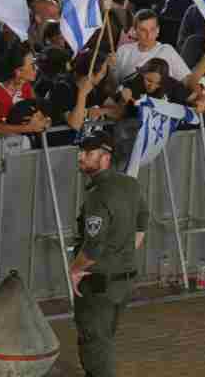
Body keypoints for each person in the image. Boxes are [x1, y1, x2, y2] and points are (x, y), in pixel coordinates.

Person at [70, 131, 148, 377]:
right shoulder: (130, 184)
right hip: (124, 279)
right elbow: (142, 223)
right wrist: (124, 252)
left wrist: (74, 270)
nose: (81, 157)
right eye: (81, 152)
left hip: (98, 282)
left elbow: (93, 247)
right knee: (106, 336)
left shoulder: (98, 195)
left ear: (105, 158)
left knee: (95, 341)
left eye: (88, 153)